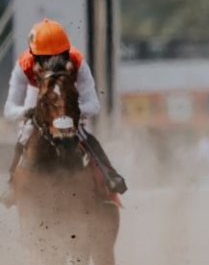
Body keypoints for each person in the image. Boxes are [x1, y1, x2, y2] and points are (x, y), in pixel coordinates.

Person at [2, 18, 127, 206]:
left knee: (83, 134)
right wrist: (30, 111)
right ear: (34, 56)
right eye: (44, 59)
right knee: (25, 134)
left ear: (67, 53)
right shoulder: (24, 66)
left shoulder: (78, 62)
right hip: (37, 98)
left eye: (59, 56)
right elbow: (9, 109)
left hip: (67, 100)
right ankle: (12, 184)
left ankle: (110, 176)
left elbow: (93, 104)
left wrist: (71, 111)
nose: (52, 62)